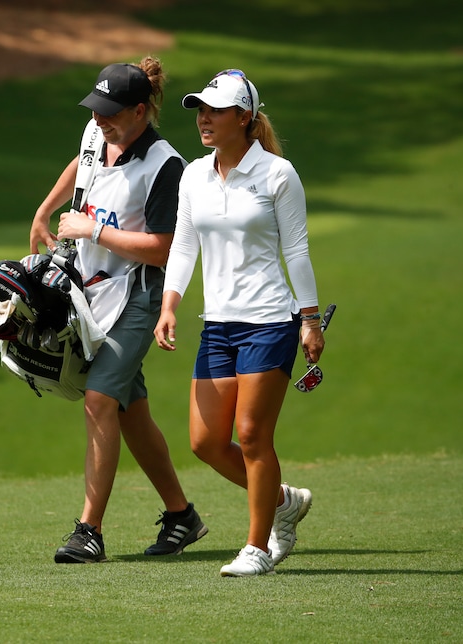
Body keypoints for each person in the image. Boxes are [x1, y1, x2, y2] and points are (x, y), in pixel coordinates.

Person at [29, 57, 206, 563]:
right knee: (129, 410)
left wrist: (95, 232)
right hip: (90, 290)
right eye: (97, 109)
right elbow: (81, 163)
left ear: (141, 111)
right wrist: (45, 209)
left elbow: (165, 248)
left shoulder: (165, 165)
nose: (100, 119)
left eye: (110, 112)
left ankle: (89, 530)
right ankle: (181, 516)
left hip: (138, 293)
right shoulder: (97, 132)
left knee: (101, 398)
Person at [153, 69, 325, 576]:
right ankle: (283, 501)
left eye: (215, 111)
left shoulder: (277, 173)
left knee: (251, 436)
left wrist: (310, 318)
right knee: (205, 442)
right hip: (218, 324)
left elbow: (296, 249)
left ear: (244, 118)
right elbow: (185, 244)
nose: (203, 119)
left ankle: (258, 547)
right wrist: (169, 303)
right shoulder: (193, 175)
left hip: (270, 320)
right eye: (200, 110)